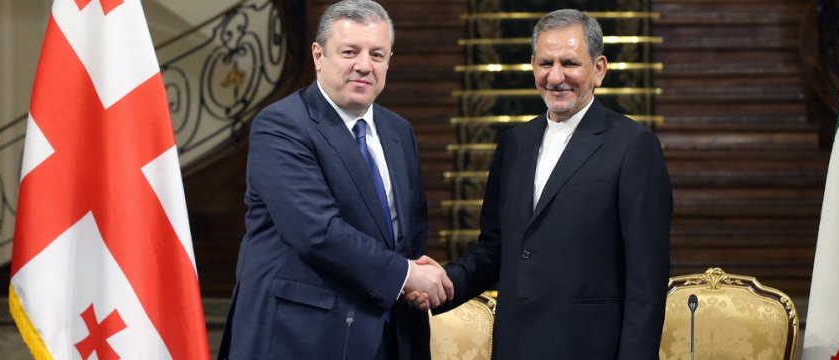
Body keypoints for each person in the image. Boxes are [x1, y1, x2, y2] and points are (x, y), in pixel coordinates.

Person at [417, 9, 673, 359]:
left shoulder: (633, 146)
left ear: (598, 69)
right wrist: (447, 282)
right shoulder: (514, 143)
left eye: (569, 63)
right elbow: (495, 249)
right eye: (544, 63)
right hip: (516, 345)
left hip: (590, 348)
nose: (555, 77)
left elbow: (647, 279)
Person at [218, 1, 452, 359]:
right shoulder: (281, 125)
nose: (363, 65)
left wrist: (411, 279)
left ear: (389, 60)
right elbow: (317, 232)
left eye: (377, 54)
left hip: (389, 334)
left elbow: (408, 233)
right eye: (349, 52)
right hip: (302, 337)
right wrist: (406, 275)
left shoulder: (398, 131)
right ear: (318, 55)